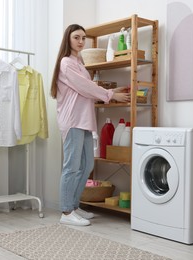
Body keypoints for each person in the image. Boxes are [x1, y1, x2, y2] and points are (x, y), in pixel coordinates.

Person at [50, 24, 130, 226]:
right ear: (67, 39)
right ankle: (66, 212)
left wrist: (112, 90)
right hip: (72, 120)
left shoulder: (79, 63)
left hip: (83, 120)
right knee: (72, 167)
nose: (80, 41)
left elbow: (88, 87)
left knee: (87, 165)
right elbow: (85, 88)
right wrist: (111, 95)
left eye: (83, 38)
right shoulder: (66, 63)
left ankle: (74, 206)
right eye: (76, 37)